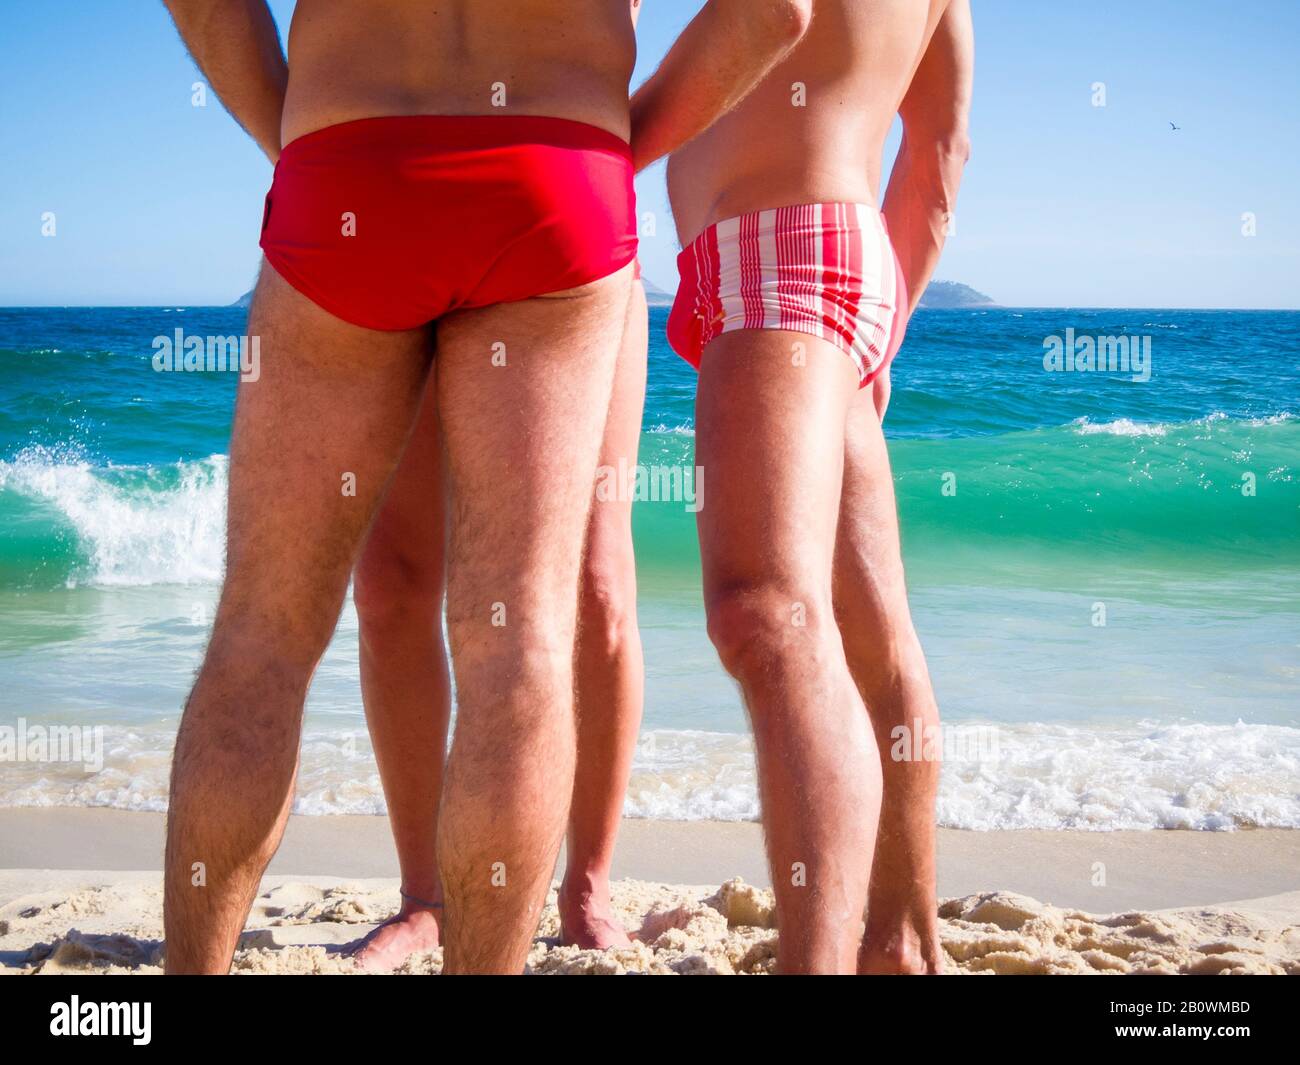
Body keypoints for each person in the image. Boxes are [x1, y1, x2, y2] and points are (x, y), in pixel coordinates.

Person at [159, 0, 812, 975]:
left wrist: (296, 134)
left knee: (261, 635)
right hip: (557, 170)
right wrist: (610, 146)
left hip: (348, 158)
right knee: (520, 651)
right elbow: (779, 11)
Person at [665, 0, 973, 973]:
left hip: (778, 245)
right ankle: (900, 939)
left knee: (763, 612)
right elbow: (939, 158)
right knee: (868, 621)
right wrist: (879, 337)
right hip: (820, 253)